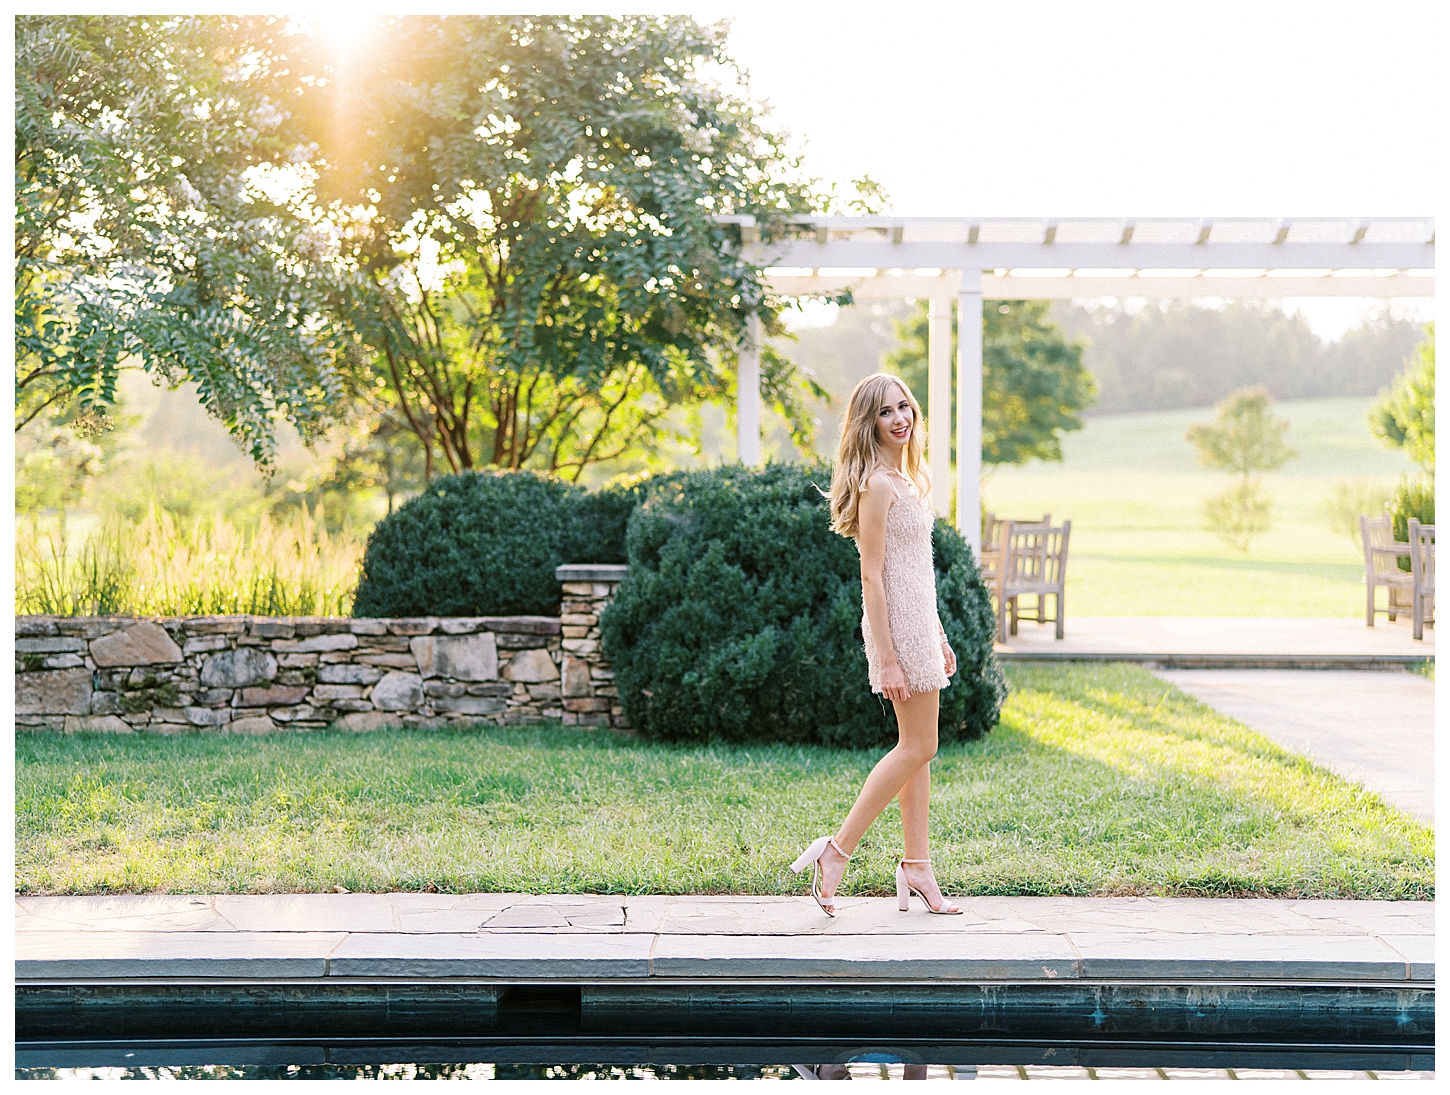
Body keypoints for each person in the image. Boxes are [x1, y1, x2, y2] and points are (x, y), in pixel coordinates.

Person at [790, 373, 962, 917]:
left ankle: (918, 867)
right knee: (920, 747)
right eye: (886, 412)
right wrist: (887, 655)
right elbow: (873, 576)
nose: (900, 418)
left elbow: (917, 572)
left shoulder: (906, 480)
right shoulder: (877, 485)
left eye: (905, 407)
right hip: (895, 628)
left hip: (919, 624)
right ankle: (836, 852)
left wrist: (938, 635)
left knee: (919, 751)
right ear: (870, 424)